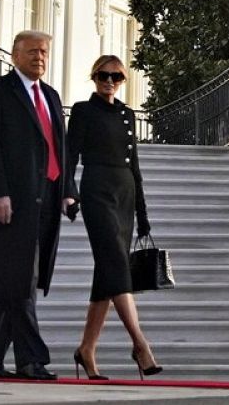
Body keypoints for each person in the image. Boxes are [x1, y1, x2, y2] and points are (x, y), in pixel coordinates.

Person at [0, 30, 75, 381]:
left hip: (46, 198)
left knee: (14, 282)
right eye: (32, 52)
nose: (39, 57)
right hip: (12, 201)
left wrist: (67, 189)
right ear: (15, 55)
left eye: (44, 52)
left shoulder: (51, 96)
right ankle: (32, 360)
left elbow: (60, 147)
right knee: (21, 280)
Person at [64, 55, 163, 380]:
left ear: (123, 80)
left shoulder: (127, 114)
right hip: (97, 191)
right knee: (117, 266)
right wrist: (69, 190)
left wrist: (142, 212)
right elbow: (70, 153)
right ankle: (140, 343)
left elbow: (134, 165)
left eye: (116, 77)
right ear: (94, 78)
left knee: (107, 273)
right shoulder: (83, 110)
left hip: (125, 193)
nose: (109, 81)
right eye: (103, 75)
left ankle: (86, 349)